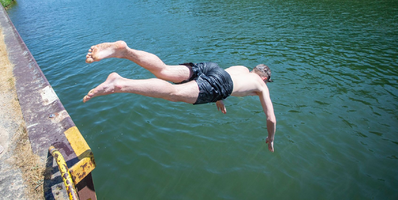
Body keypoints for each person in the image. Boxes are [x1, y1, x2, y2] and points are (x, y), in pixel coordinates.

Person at [83, 41, 276, 152]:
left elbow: (222, 76)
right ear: (265, 78)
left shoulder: (241, 68)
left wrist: (219, 98)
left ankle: (125, 51)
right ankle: (120, 83)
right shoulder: (260, 85)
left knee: (165, 70)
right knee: (174, 94)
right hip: (220, 83)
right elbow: (270, 118)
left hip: (212, 68)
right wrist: (271, 137)